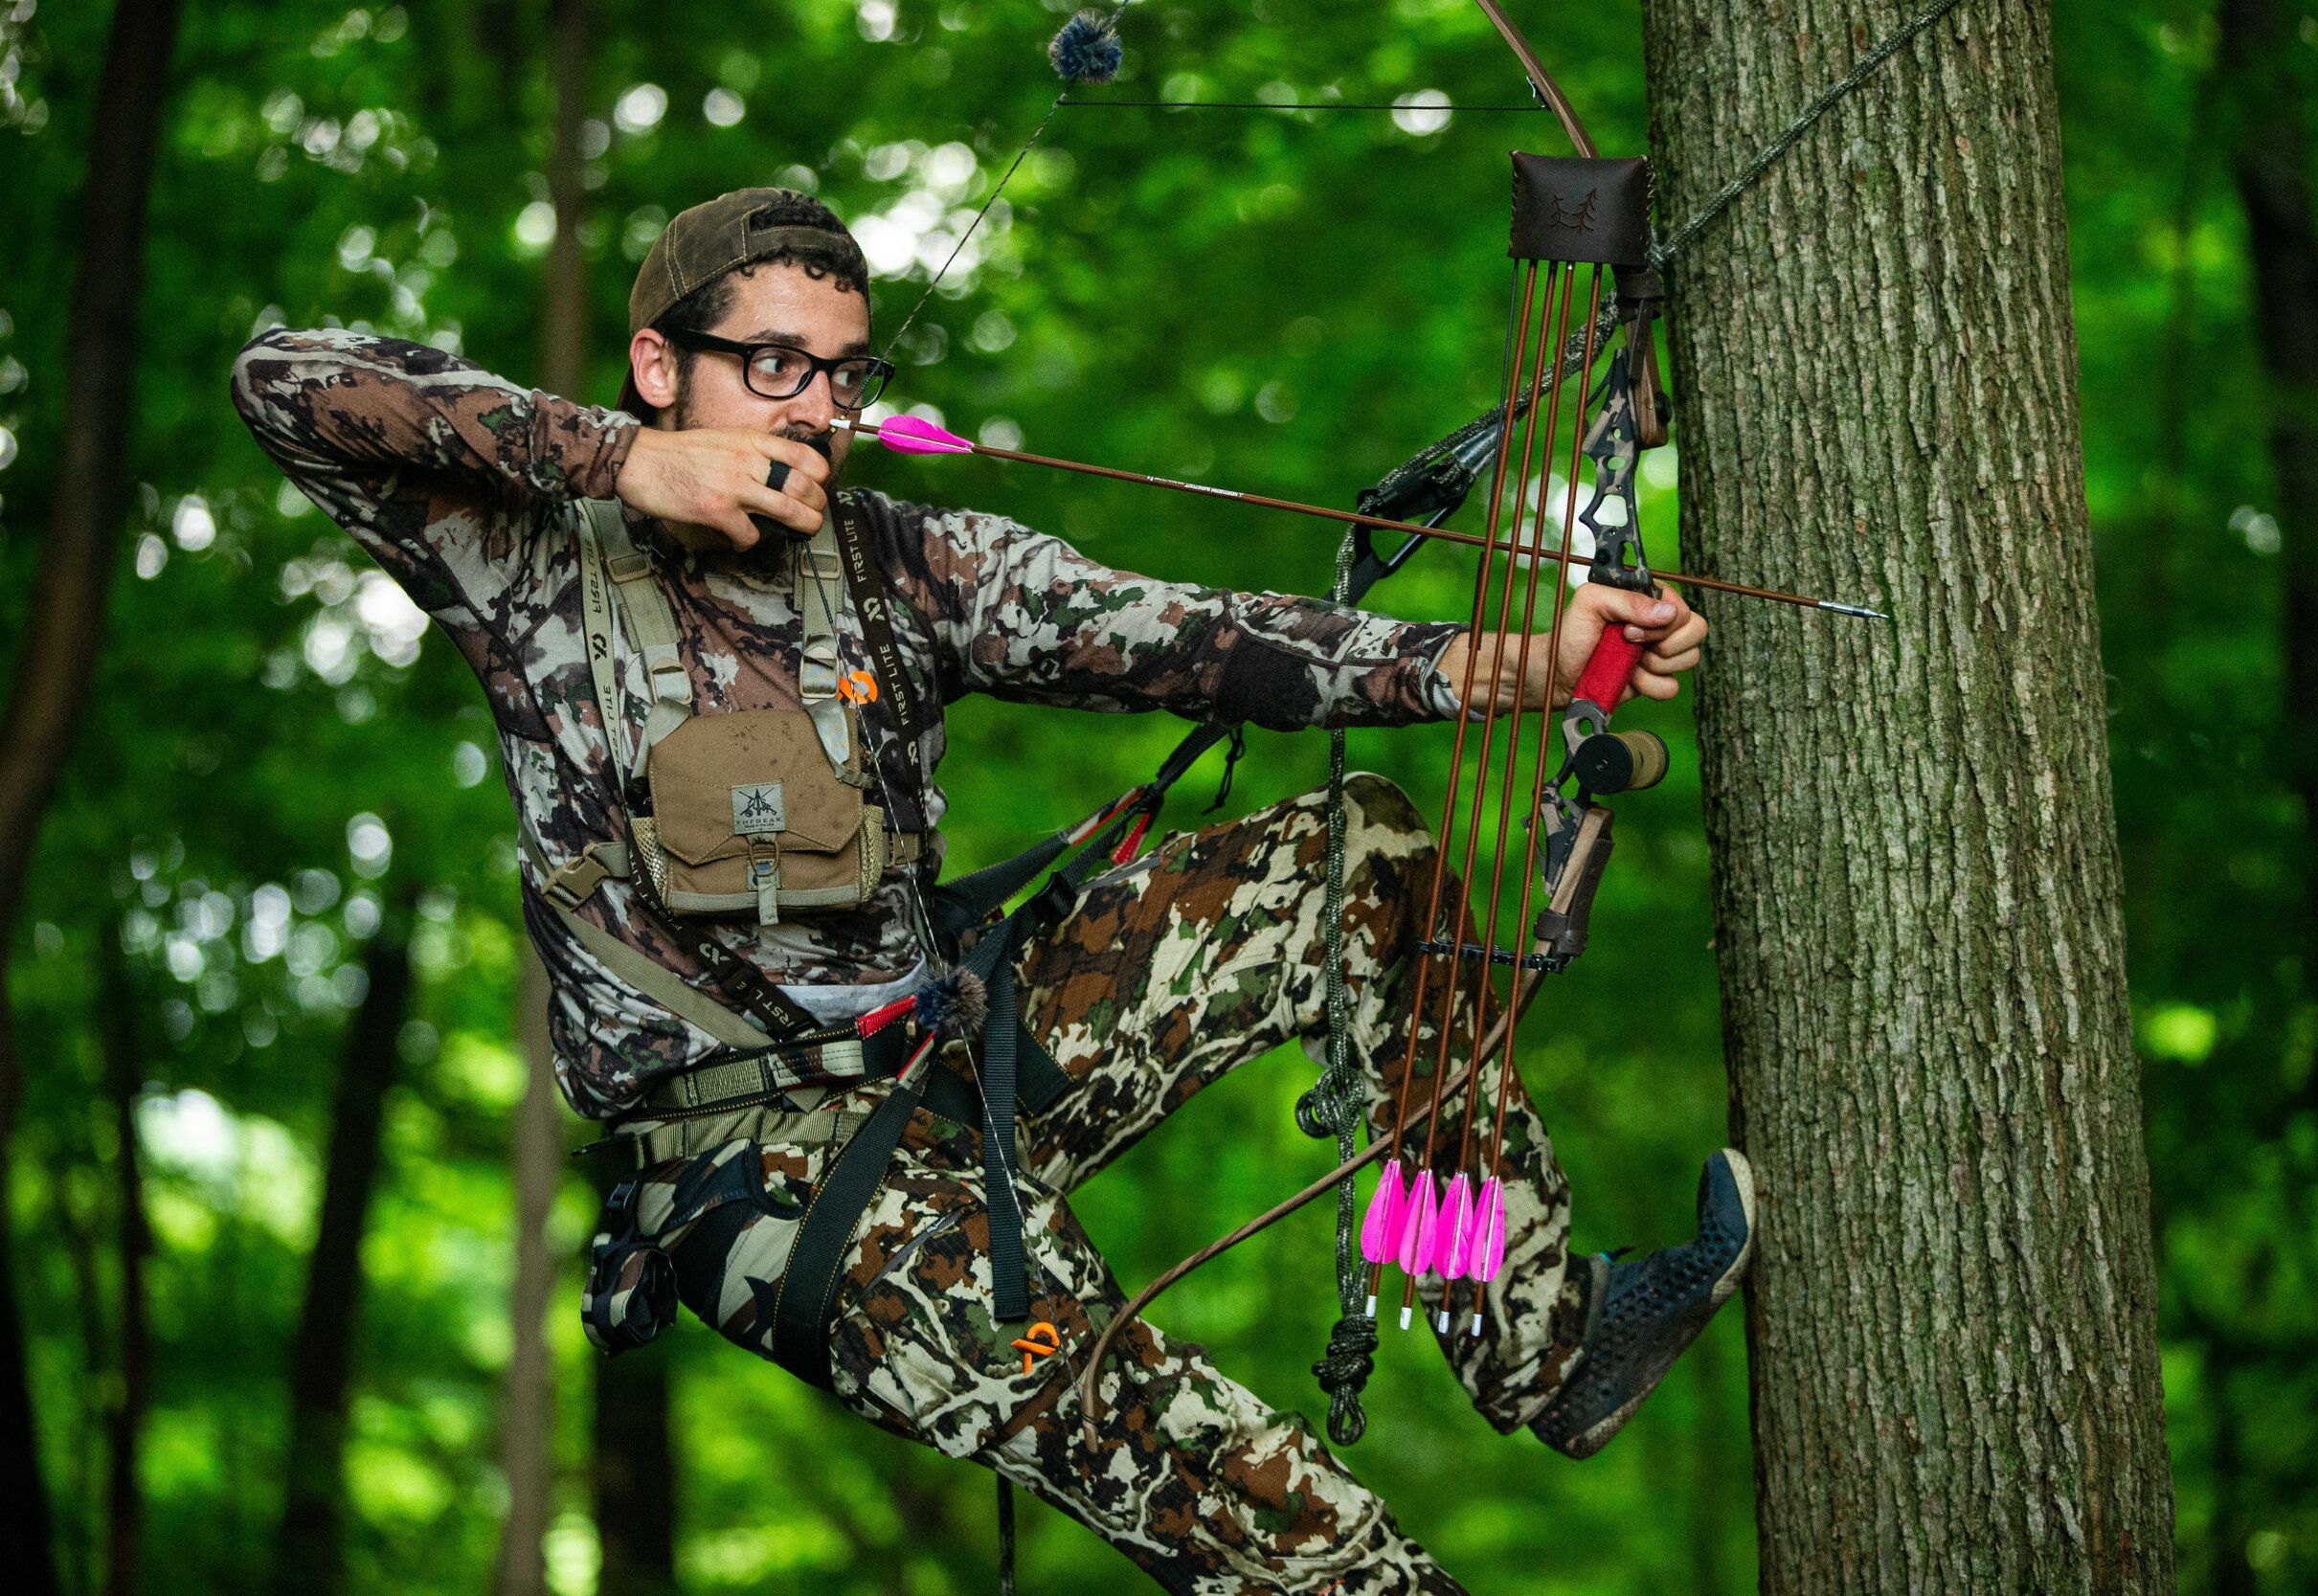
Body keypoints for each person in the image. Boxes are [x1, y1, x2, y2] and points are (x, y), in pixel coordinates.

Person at [231, 185, 1753, 1595]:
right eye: (771, 366)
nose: (818, 407)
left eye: (838, 371)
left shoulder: (904, 561)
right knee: (1258, 1494)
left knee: (1348, 859)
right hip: (764, 1172)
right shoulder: (535, 557)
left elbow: (1207, 641)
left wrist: (1525, 666)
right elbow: (286, 381)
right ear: (657, 365)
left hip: (968, 1061)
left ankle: (1545, 1342)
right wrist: (629, 466)